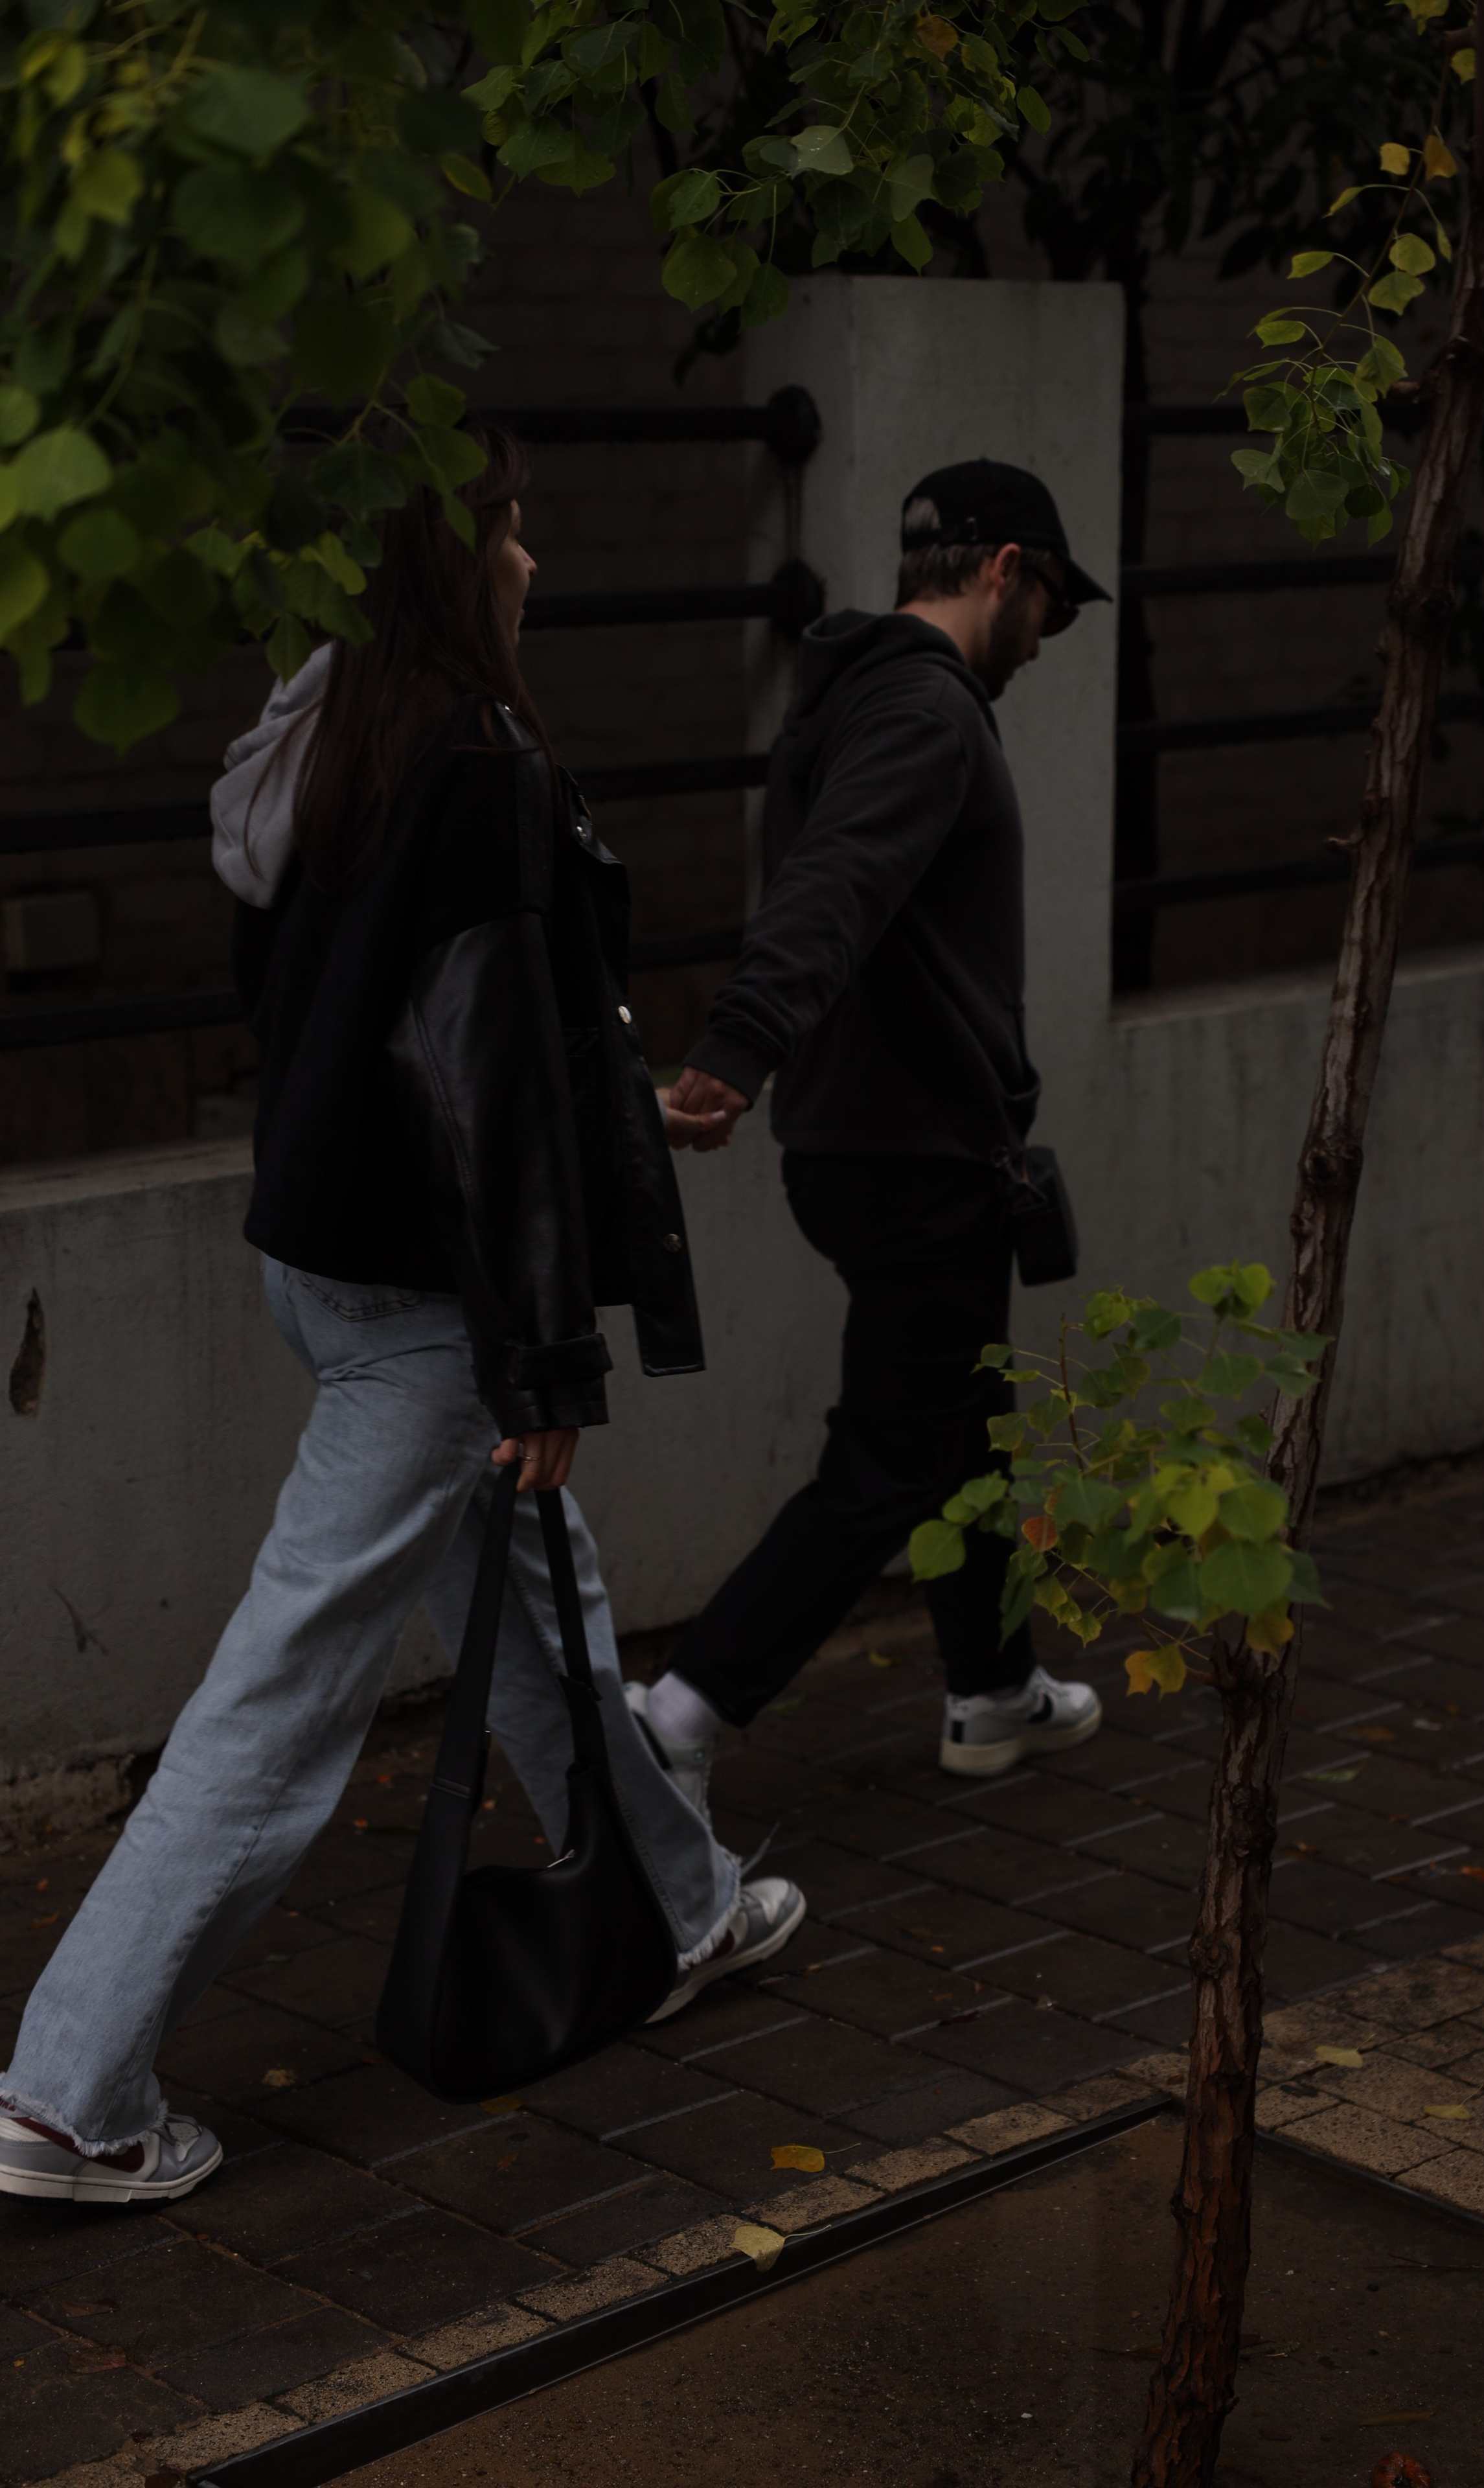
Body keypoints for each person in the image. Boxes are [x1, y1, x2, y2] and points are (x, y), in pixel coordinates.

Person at [0, 430, 803, 2209]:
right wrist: (543, 1359)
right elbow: (481, 1077)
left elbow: (368, 1028)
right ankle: (73, 2094)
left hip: (322, 1259)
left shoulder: (321, 738)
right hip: (433, 1304)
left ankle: (678, 1907)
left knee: (533, 1605)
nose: (534, 566)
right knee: (288, 1682)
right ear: (457, 560)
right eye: (515, 532)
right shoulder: (477, 758)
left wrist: (594, 1138)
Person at [630, 460, 1111, 1812]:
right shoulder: (920, 711)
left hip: (866, 1140)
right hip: (912, 1152)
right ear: (1005, 569)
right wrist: (735, 1052)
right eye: (1053, 604)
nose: (1048, 637)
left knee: (965, 1428)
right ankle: (682, 1709)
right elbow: (834, 887)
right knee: (893, 1456)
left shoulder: (848, 695)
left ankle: (992, 1690)